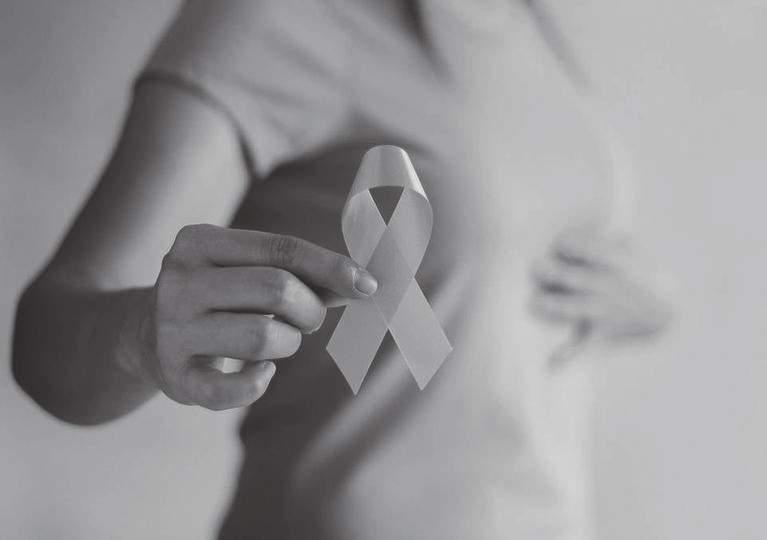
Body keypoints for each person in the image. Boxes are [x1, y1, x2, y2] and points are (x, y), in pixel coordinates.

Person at [12, 1, 673, 539]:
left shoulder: (529, 25)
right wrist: (141, 338)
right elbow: (46, 339)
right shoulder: (278, 18)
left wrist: (643, 302)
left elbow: (497, 247)